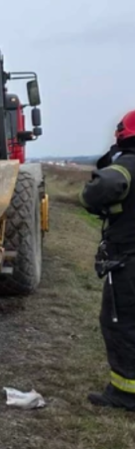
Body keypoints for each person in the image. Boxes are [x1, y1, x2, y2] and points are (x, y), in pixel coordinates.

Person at [81, 110, 135, 411]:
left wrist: (92, 201)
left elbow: (100, 189)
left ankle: (125, 393)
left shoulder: (127, 165)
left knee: (120, 322)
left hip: (129, 261)